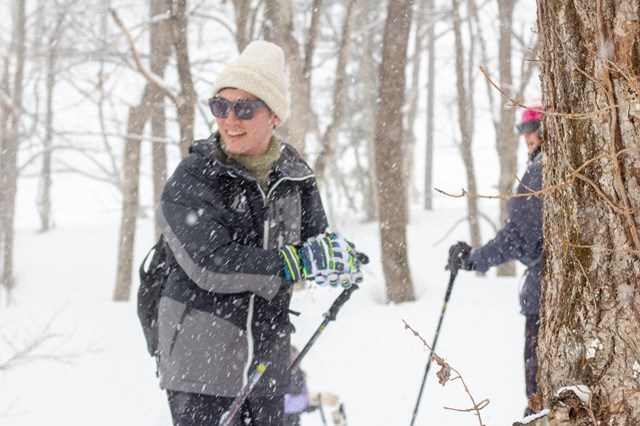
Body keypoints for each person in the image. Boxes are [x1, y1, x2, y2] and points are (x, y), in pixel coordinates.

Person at [155, 40, 363, 426]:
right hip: (201, 364)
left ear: (274, 117)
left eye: (244, 108)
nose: (229, 119)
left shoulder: (295, 176)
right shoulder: (194, 177)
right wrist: (295, 262)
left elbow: (313, 244)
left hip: (269, 363)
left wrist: (337, 259)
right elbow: (211, 265)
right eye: (221, 106)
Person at [447, 105, 543, 416]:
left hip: (546, 297)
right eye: (523, 129)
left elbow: (518, 237)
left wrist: (475, 259)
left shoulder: (541, 172)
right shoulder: (547, 169)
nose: (527, 135)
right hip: (547, 291)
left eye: (534, 127)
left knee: (539, 394)